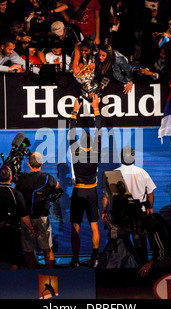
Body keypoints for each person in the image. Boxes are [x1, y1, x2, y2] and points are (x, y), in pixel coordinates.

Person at [101, 146, 157, 266]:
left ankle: (121, 270)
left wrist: (104, 211)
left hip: (119, 216)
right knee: (140, 245)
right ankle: (142, 270)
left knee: (120, 246)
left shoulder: (113, 174)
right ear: (134, 157)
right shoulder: (142, 173)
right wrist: (149, 208)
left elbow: (106, 196)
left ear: (121, 158)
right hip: (138, 216)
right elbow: (150, 194)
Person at [68, 94, 101, 268]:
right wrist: (96, 108)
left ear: (80, 144)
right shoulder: (96, 150)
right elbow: (99, 129)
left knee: (76, 226)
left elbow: (71, 130)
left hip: (79, 191)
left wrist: (75, 110)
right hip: (92, 191)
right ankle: (95, 258)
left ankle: (75, 259)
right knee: (94, 226)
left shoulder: (75, 150)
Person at [0, 165, 37, 271]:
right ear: (10, 177)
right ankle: (14, 283)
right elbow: (24, 215)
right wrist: (31, 228)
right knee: (14, 260)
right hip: (13, 232)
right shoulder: (16, 194)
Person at [15, 152, 61, 269]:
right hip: (42, 219)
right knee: (47, 249)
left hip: (26, 220)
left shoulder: (22, 179)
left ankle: (32, 279)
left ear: (29, 164)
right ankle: (52, 275)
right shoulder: (47, 178)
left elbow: (15, 190)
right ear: (41, 163)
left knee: (29, 251)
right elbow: (57, 186)